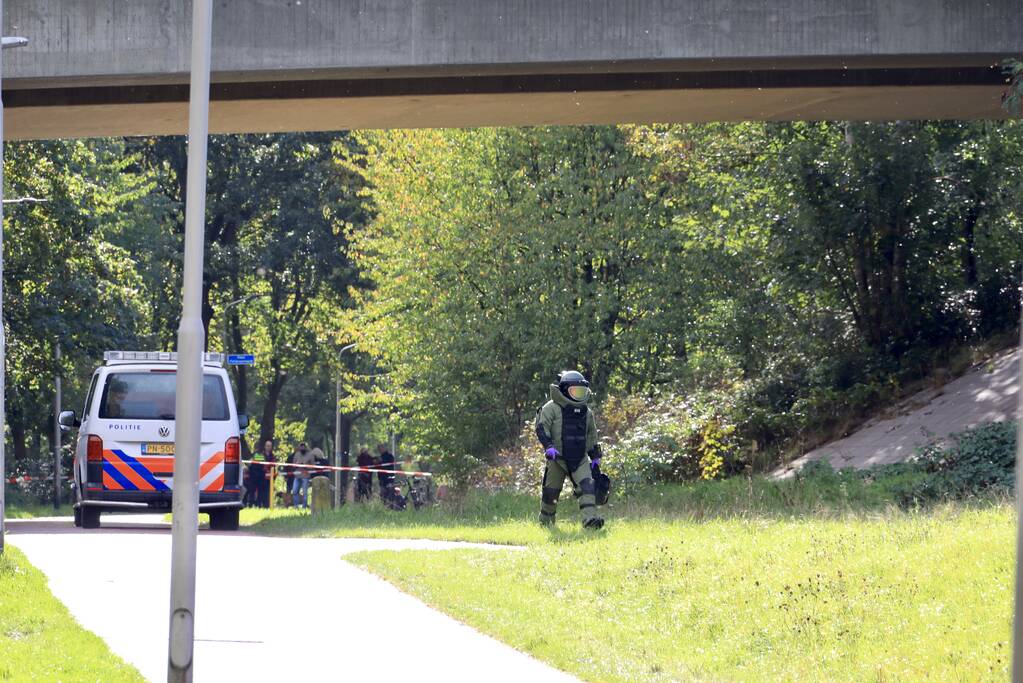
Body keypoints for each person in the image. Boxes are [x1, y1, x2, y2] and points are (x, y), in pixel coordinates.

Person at [534, 370, 605, 529]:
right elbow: (541, 427)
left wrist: (594, 456)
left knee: (587, 487)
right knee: (550, 494)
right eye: (575, 391)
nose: (579, 395)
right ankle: (546, 524)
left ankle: (590, 520)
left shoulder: (587, 413)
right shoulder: (551, 408)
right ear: (565, 390)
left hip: (579, 459)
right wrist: (549, 446)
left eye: (582, 392)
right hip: (557, 459)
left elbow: (592, 434)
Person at [248, 439, 276, 508]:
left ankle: (262, 505)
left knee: (263, 493)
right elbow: (258, 466)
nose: (268, 447)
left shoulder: (272, 456)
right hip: (258, 477)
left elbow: (273, 466)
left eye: (270, 446)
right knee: (255, 492)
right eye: (267, 446)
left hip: (265, 477)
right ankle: (254, 505)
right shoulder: (258, 455)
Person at [291, 443, 316, 508]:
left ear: (305, 448)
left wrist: (306, 466)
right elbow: (293, 465)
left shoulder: (310, 455)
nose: (302, 448)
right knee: (294, 491)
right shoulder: (296, 454)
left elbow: (313, 466)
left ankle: (304, 506)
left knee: (305, 493)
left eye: (303, 447)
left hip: (305, 476)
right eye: (301, 447)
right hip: (297, 475)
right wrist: (297, 464)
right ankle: (296, 506)